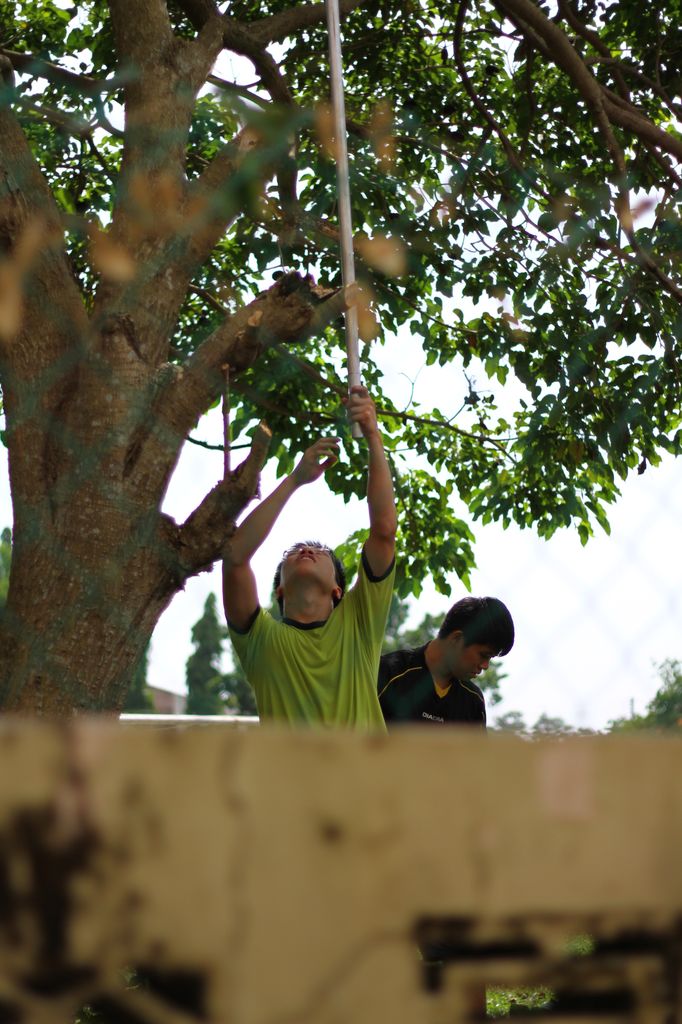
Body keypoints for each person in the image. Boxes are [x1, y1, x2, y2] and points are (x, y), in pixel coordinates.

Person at [223, 386, 396, 728]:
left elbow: (384, 530)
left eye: (321, 552)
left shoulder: (359, 622)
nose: (306, 551)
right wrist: (295, 479)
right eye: (292, 552)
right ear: (280, 591)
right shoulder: (261, 640)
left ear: (337, 590)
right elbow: (235, 556)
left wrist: (373, 435)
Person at [378, 596, 515, 727]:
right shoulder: (388, 673)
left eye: (490, 658)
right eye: (484, 655)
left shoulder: (473, 701)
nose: (485, 666)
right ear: (456, 639)